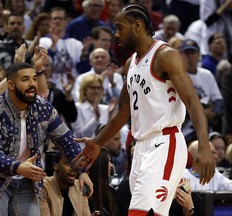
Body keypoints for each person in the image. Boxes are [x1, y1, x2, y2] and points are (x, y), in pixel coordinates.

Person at [73, 3, 215, 216]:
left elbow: (193, 102)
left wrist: (204, 146)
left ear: (137, 25)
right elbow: (122, 110)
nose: (116, 33)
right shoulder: (130, 63)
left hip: (164, 143)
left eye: (120, 27)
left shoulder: (165, 55)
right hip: (140, 148)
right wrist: (97, 143)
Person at [0, 62, 92, 215]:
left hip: (27, 179)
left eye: (34, 78)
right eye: (25, 79)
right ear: (11, 85)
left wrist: (82, 171)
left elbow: (66, 140)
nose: (32, 84)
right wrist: (18, 167)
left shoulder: (43, 107)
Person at [39, 150, 91, 216]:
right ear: (55, 166)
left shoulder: (79, 186)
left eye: (76, 164)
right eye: (68, 164)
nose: (73, 168)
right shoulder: (43, 187)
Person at [88, 147, 120, 216]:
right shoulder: (84, 193)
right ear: (98, 163)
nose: (111, 165)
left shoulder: (112, 192)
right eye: (108, 161)